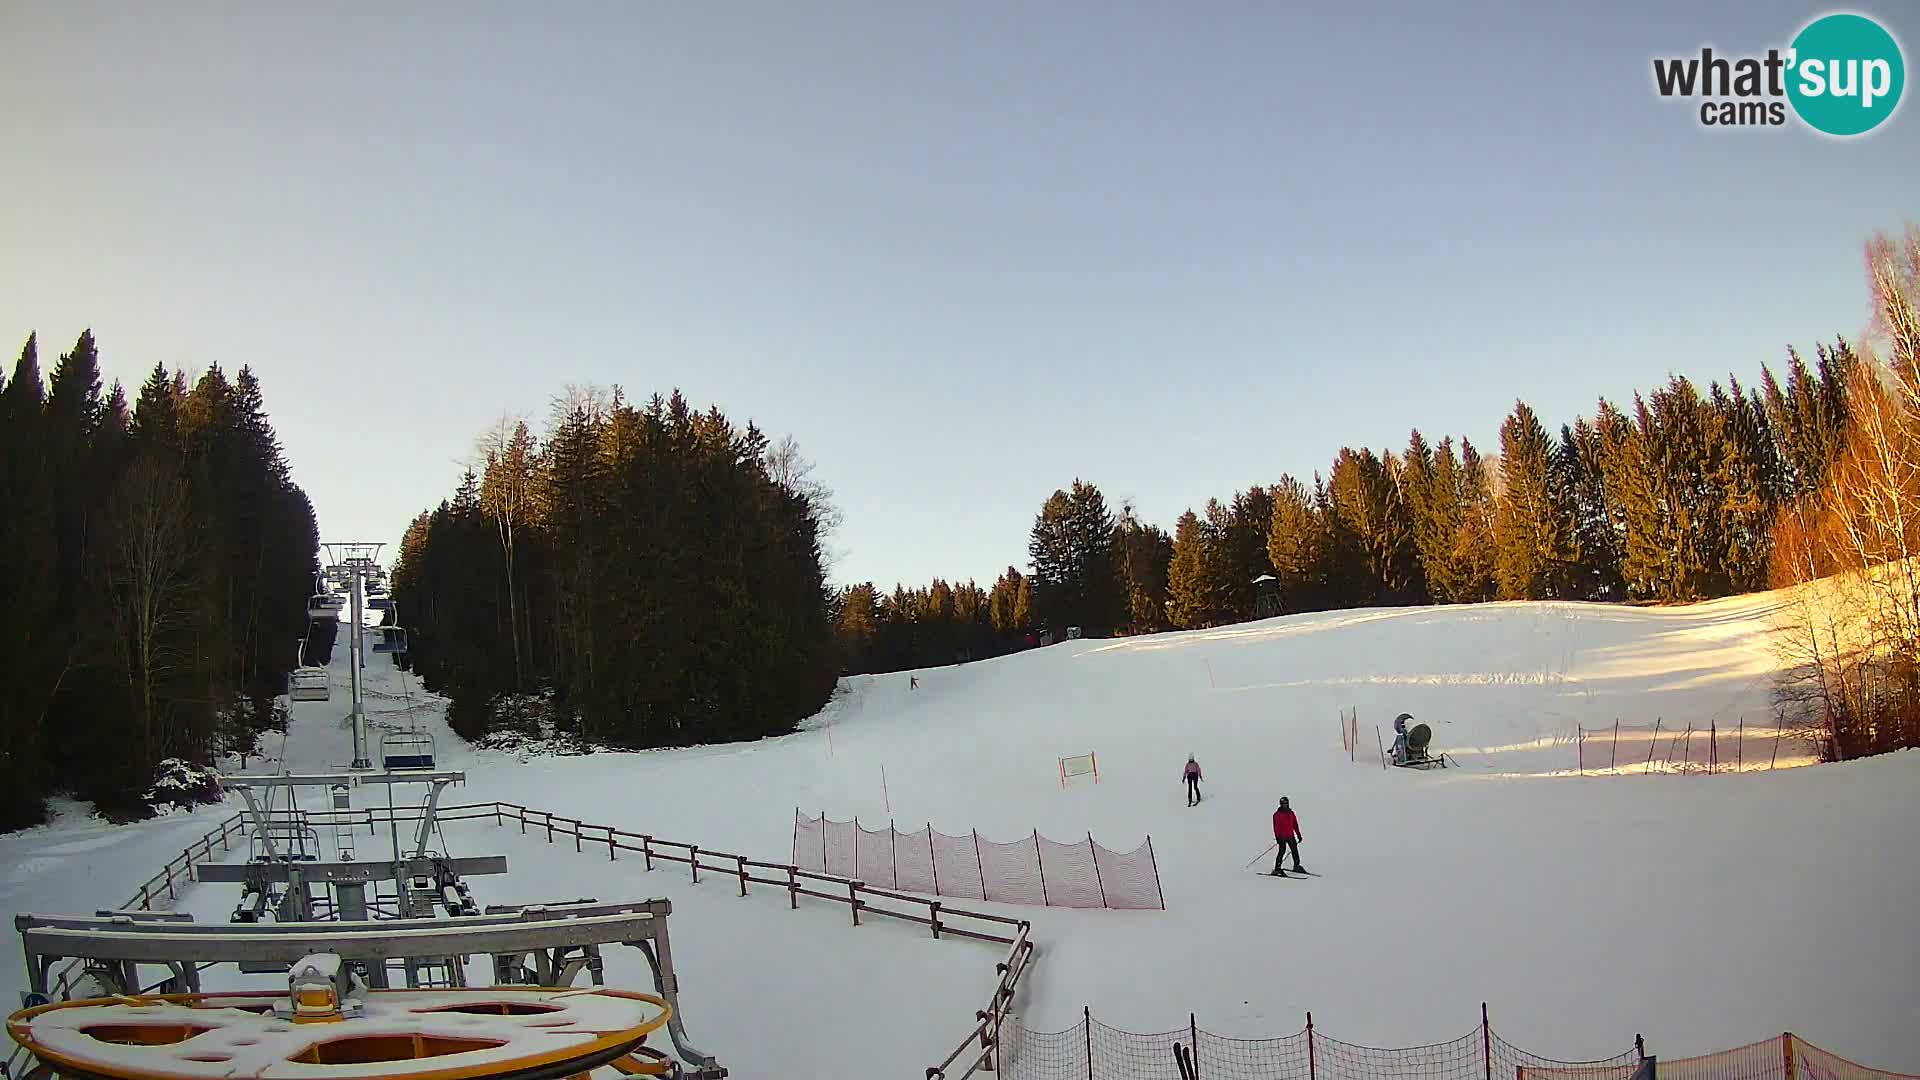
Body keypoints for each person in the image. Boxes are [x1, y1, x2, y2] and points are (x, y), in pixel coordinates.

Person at [1270, 796, 1305, 876]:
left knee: (1294, 850)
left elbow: (1295, 825)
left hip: (1290, 835)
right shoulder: (1277, 815)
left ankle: (1296, 866)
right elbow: (1276, 827)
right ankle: (1277, 868)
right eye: (1283, 804)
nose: (1285, 805)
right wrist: (1277, 837)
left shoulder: (1291, 813)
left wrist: (1298, 835)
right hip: (1282, 836)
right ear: (1281, 804)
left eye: (1286, 803)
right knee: (1282, 851)